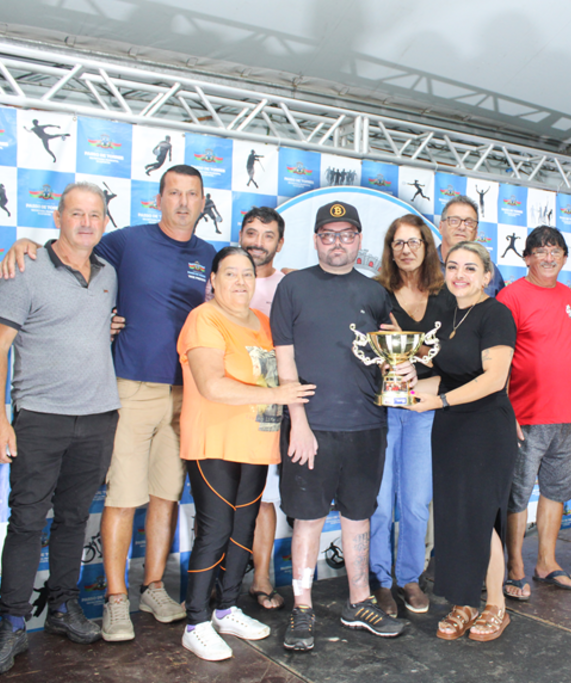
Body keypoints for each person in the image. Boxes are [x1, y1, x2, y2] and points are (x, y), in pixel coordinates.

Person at [0, 165, 215, 642]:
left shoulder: (208, 254)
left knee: (164, 496)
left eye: (192, 195)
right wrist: (26, 245)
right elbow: (72, 243)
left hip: (186, 394)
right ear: (157, 199)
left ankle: (152, 587)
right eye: (173, 193)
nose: (182, 202)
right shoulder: (126, 241)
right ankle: (116, 600)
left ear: (203, 203)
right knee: (122, 498)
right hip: (129, 388)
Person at [0, 182, 119, 675]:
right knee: (27, 523)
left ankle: (62, 607)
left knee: (74, 521)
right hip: (40, 419)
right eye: (76, 213)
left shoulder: (108, 274)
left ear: (104, 221)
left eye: (95, 214)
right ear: (58, 218)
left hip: (99, 417)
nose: (86, 222)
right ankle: (12, 624)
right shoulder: (25, 268)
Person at [271, 201, 411, 651]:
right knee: (308, 520)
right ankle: (303, 607)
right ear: (315, 240)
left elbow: (394, 351)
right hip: (312, 427)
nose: (337, 243)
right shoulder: (293, 286)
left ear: (358, 241)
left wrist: (405, 372)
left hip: (367, 425)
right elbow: (284, 362)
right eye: (328, 235)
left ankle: (359, 601)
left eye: (346, 234)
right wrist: (299, 424)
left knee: (358, 516)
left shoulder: (375, 292)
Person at [176, 246, 315, 660]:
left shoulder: (263, 322)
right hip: (214, 442)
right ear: (213, 281)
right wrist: (279, 393)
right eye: (230, 274)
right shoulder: (203, 319)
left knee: (243, 530)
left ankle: (226, 607)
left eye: (247, 275)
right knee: (215, 530)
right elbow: (212, 385)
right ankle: (196, 621)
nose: (240, 282)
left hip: (256, 443)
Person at [408, 241, 517, 643]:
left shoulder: (496, 313)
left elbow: (493, 379)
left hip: (486, 427)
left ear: (487, 276)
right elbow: (450, 376)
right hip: (450, 426)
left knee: (479, 517)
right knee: (453, 518)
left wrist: (439, 400)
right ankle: (464, 601)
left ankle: (496, 606)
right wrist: (408, 387)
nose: (460, 275)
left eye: (470, 268)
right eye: (453, 266)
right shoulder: (448, 314)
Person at [498, 227, 571, 602]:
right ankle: (515, 567)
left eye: (556, 251)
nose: (549, 257)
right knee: (518, 495)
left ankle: (546, 562)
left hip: (570, 416)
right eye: (541, 251)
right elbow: (497, 359)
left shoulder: (567, 295)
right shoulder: (510, 297)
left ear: (564, 258)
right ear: (527, 258)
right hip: (527, 415)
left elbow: (565, 347)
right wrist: (506, 412)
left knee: (556, 492)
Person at [369, 214, 450, 617]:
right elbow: (362, 352)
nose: (406, 250)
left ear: (426, 246)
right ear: (390, 249)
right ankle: (382, 582)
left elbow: (454, 360)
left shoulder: (445, 296)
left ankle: (409, 577)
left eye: (413, 242)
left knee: (417, 502)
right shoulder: (375, 292)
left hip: (423, 411)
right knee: (381, 503)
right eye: (398, 243)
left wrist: (422, 371)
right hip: (382, 410)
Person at [215, 207, 288, 611]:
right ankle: (219, 578)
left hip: (268, 408)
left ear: (280, 243)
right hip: (222, 406)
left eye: (267, 235)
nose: (257, 241)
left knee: (262, 499)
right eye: (251, 232)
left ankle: (261, 579)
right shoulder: (220, 276)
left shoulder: (290, 285)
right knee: (220, 500)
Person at [436, 196, 504, 297]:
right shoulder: (424, 264)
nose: (462, 227)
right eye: (454, 221)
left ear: (476, 232)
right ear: (441, 227)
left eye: (469, 223)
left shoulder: (489, 269)